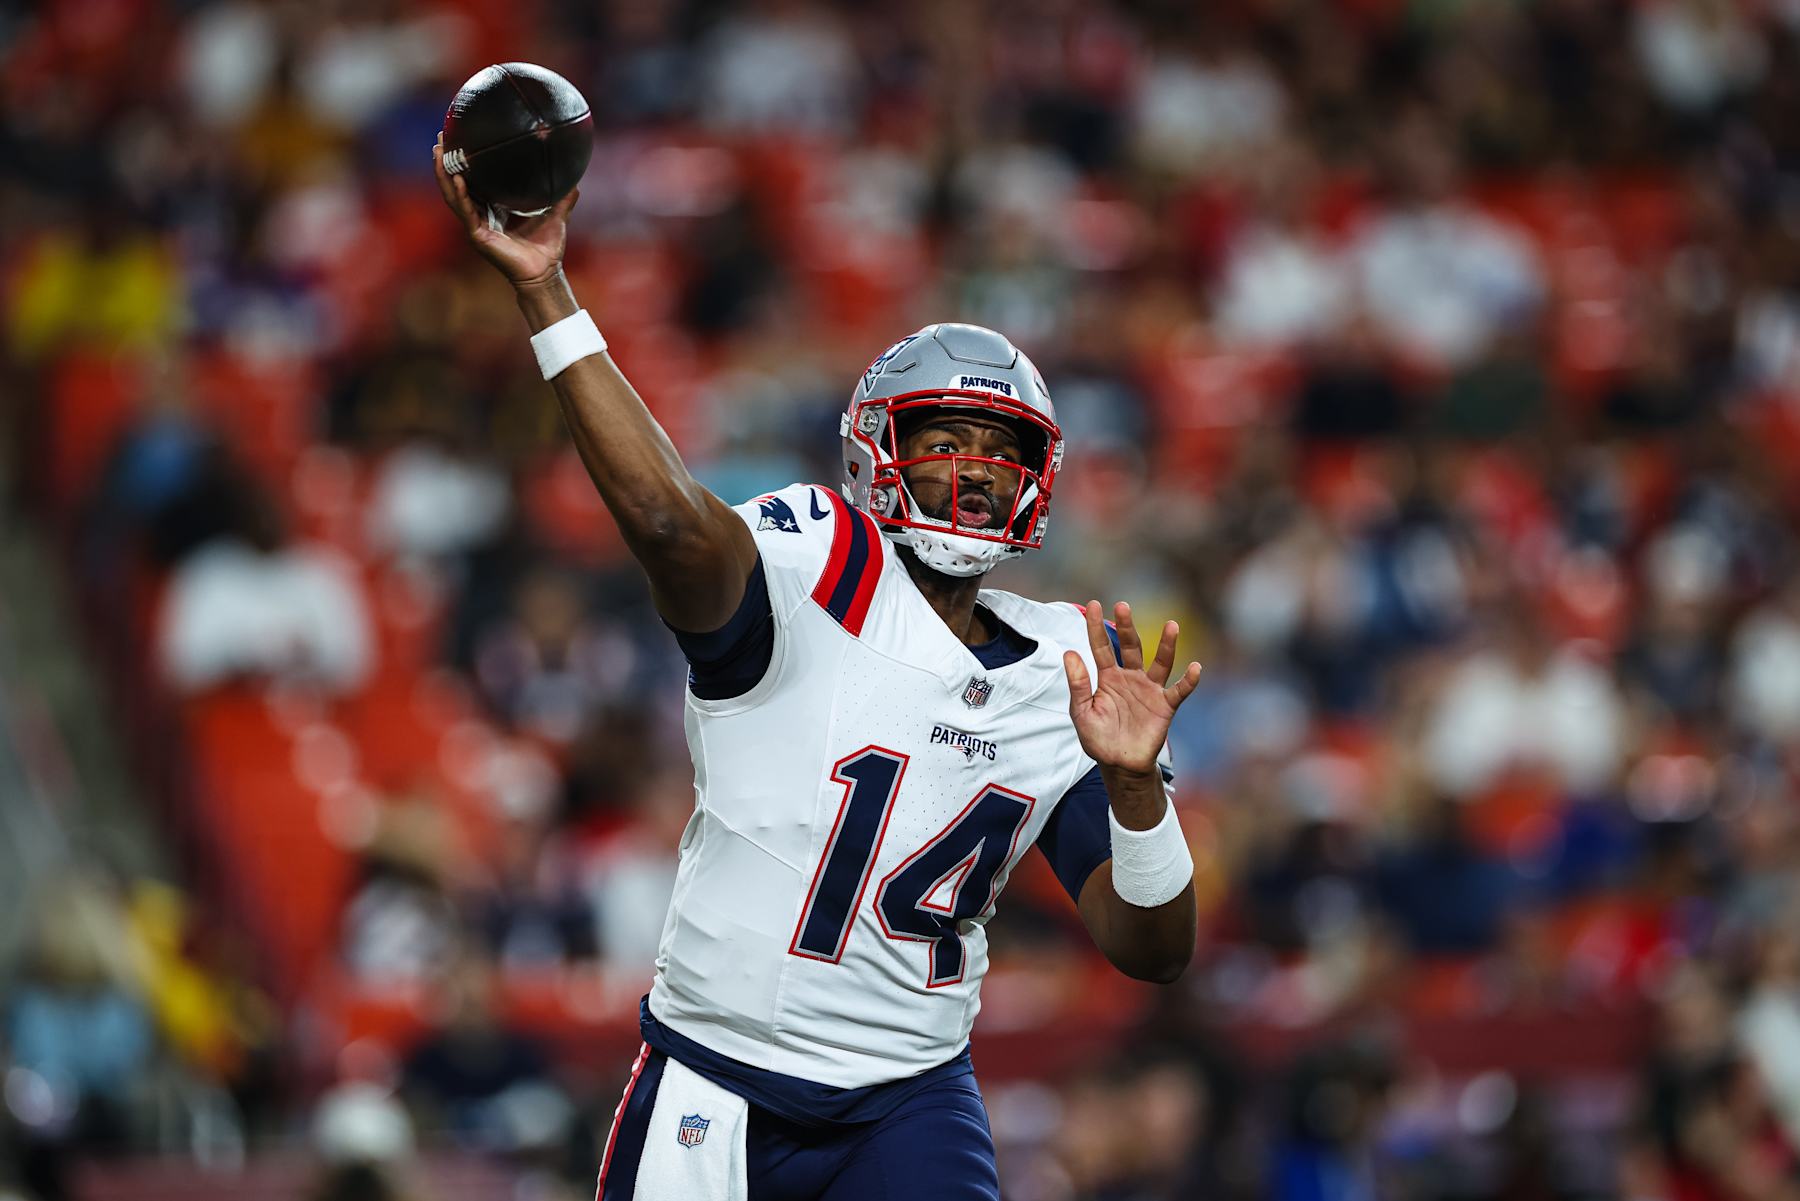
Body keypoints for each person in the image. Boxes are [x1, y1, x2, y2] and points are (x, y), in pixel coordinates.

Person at [433, 134, 1201, 1201]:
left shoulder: (1066, 664)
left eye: (1002, 453)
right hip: (716, 1075)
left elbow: (1151, 946)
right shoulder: (817, 559)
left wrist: (1133, 793)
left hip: (907, 1100)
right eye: (946, 440)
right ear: (877, 451)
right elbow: (666, 521)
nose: (977, 476)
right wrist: (549, 292)